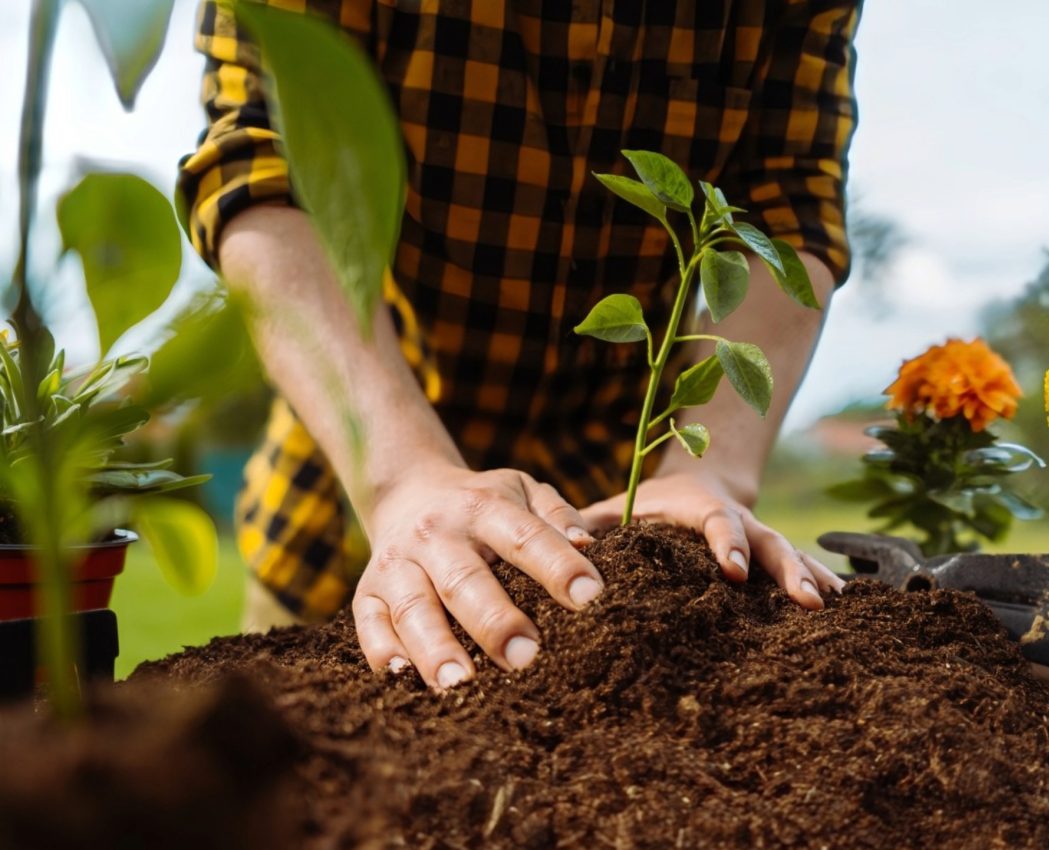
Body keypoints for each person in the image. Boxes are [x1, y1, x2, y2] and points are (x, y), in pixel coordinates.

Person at [179, 0, 861, 690]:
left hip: (607, 525)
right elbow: (262, 159)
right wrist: (400, 480)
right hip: (351, 503)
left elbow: (790, 209)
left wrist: (711, 468)